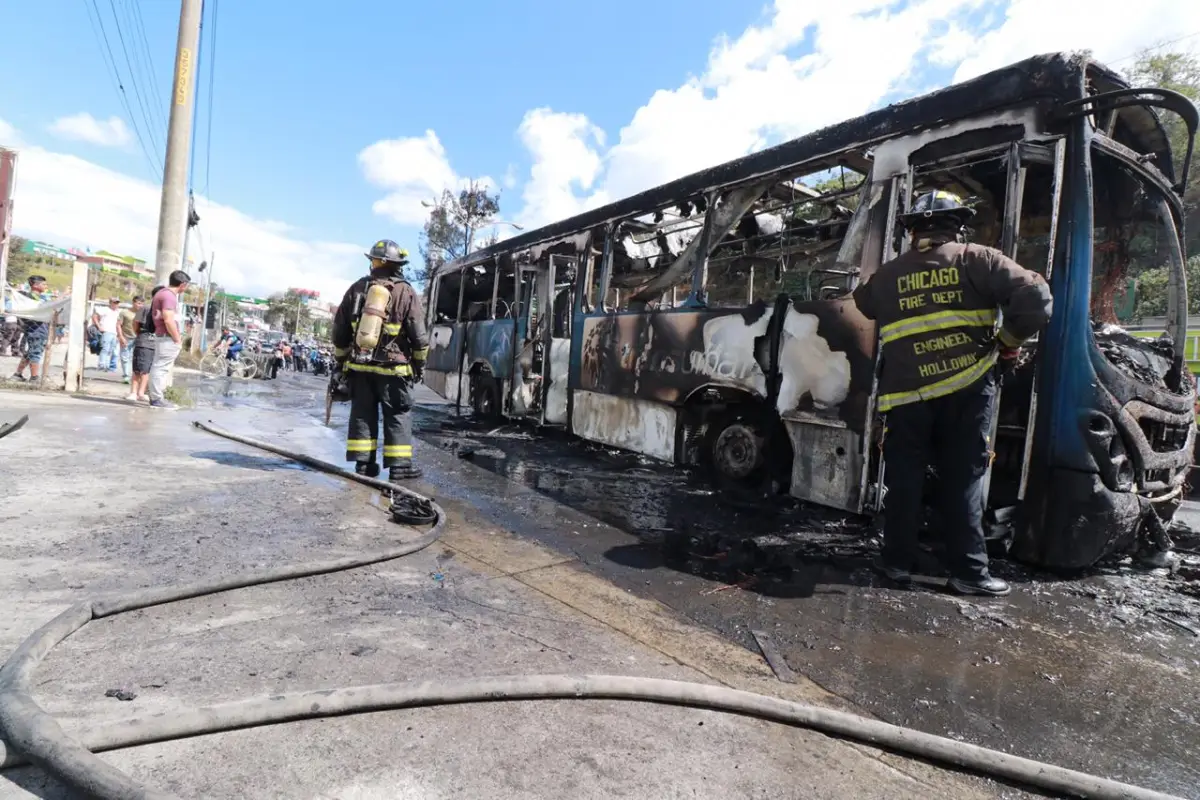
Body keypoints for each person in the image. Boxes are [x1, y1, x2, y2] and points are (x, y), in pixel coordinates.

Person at [852, 190, 1052, 598]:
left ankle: (895, 564)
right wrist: (1009, 340)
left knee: (904, 481)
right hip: (967, 387)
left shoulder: (888, 276)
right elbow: (1035, 297)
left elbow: (863, 302)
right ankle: (969, 573)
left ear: (912, 231)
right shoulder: (979, 258)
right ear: (957, 226)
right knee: (963, 480)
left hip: (905, 396)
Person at [332, 239, 428, 481]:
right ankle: (400, 467)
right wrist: (418, 366)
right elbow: (419, 336)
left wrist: (340, 363)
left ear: (374, 262)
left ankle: (364, 465)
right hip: (394, 370)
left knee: (363, 414)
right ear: (397, 265)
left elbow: (339, 331)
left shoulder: (357, 288)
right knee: (397, 414)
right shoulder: (405, 291)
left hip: (360, 367)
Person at [147, 270, 191, 409]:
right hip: (167, 338)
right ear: (182, 284)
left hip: (163, 337)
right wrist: (177, 339)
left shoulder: (162, 293)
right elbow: (168, 319)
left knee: (159, 367)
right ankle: (157, 399)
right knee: (160, 369)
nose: (187, 288)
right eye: (187, 285)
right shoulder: (169, 296)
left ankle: (156, 397)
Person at [11, 276, 51, 383]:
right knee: (36, 353)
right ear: (35, 286)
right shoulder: (31, 298)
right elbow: (45, 307)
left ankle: (17, 374)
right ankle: (34, 377)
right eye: (43, 284)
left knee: (30, 353)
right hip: (36, 329)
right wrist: (64, 295)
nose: (46, 286)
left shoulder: (39, 298)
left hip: (38, 328)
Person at [126, 289, 160, 402]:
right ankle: (133, 392)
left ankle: (141, 392)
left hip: (155, 344)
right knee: (138, 369)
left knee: (146, 370)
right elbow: (135, 323)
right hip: (144, 342)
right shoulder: (145, 309)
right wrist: (139, 334)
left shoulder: (164, 310)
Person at [93, 297, 122, 373]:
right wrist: (99, 326)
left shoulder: (118, 312)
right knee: (105, 349)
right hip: (106, 331)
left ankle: (111, 366)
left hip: (115, 333)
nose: (116, 304)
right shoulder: (105, 309)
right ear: (110, 303)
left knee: (113, 350)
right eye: (114, 302)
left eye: (117, 303)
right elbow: (95, 316)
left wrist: (120, 334)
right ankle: (102, 365)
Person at [117, 297, 140, 383]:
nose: (140, 305)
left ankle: (133, 376)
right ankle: (126, 375)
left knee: (135, 358)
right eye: (138, 303)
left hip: (138, 338)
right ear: (133, 303)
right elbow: (118, 325)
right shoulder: (125, 312)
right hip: (126, 337)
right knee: (125, 357)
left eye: (141, 303)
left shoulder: (141, 313)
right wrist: (121, 337)